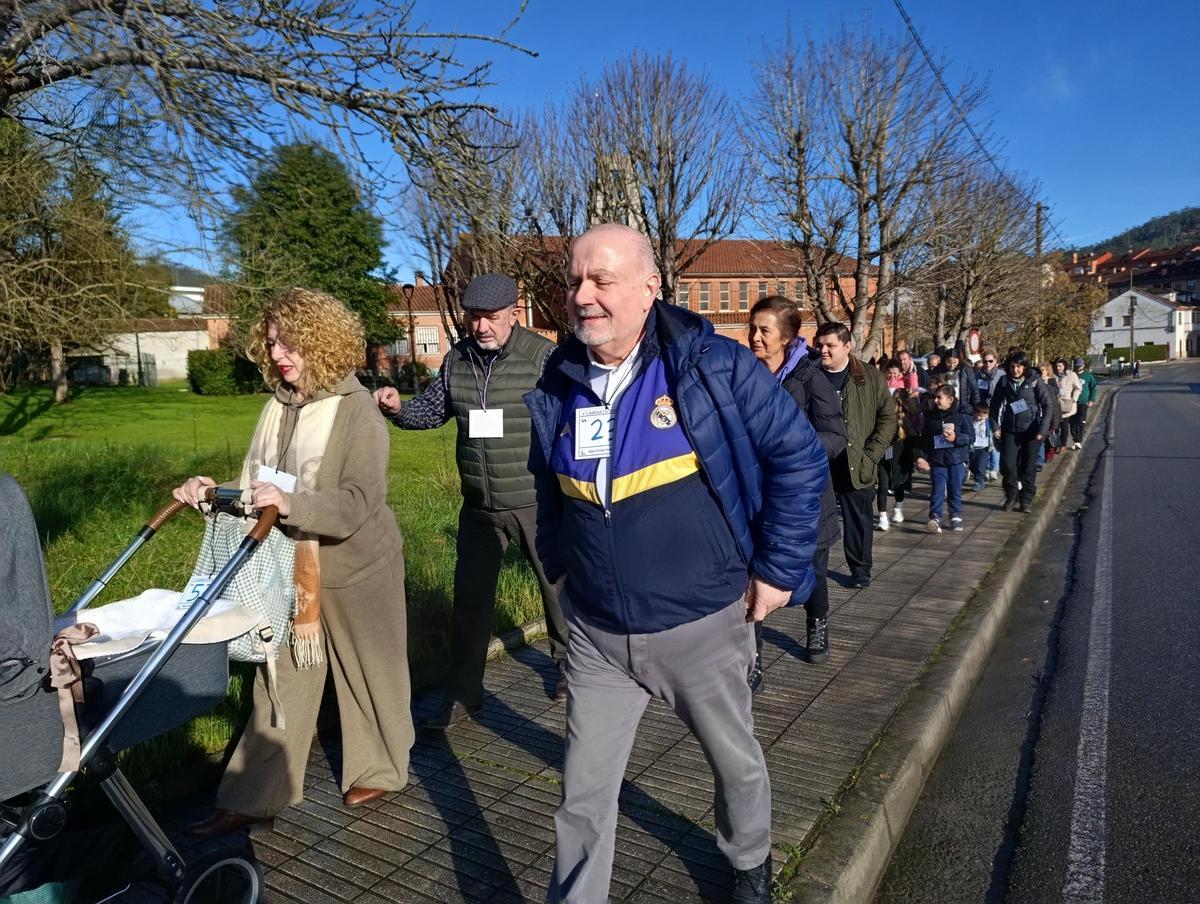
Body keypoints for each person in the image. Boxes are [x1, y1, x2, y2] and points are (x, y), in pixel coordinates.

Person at [527, 224, 827, 904]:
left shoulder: (711, 364)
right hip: (598, 635)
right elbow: (547, 487)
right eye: (574, 281)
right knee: (581, 798)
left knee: (734, 765)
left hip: (703, 624)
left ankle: (750, 863)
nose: (582, 296)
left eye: (601, 280)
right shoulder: (559, 377)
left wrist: (778, 571)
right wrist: (560, 569)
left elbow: (799, 456)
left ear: (649, 288)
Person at [177, 288, 413, 836]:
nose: (279, 353)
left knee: (371, 676)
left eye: (291, 343)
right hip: (288, 570)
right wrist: (212, 492)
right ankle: (252, 796)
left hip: (358, 567)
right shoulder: (277, 407)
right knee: (279, 678)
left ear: (322, 342)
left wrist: (291, 504)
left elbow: (358, 501)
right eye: (272, 343)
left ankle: (381, 768)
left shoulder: (358, 411)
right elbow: (259, 485)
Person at [374, 273, 568, 729]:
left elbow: (569, 422)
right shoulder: (456, 360)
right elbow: (430, 412)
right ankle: (463, 696)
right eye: (474, 317)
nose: (481, 326)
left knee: (558, 593)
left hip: (534, 501)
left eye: (491, 317)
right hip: (478, 506)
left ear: (514, 314)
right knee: (470, 604)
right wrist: (398, 409)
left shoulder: (543, 357)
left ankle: (570, 670)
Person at [747, 296, 847, 671]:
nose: (755, 337)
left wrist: (793, 449)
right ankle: (752, 654)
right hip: (756, 496)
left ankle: (817, 624)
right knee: (751, 573)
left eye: (764, 330)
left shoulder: (810, 378)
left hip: (806, 496)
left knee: (814, 569)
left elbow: (836, 436)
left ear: (787, 337)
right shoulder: (743, 376)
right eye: (752, 329)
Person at [815, 322, 897, 589]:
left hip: (858, 461)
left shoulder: (869, 376)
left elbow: (888, 418)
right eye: (819, 345)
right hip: (820, 461)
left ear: (847, 346)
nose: (823, 350)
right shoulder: (809, 375)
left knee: (858, 521)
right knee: (814, 520)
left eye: (830, 345)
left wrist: (871, 455)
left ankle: (860, 570)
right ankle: (812, 574)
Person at [989, 350, 1052, 512]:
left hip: (1031, 431)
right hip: (1010, 429)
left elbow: (1048, 405)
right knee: (1008, 466)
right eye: (1012, 366)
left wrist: (1043, 429)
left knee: (1028, 467)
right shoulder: (1004, 381)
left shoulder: (1034, 381)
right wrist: (995, 427)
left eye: (1019, 366)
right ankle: (1011, 496)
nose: (1015, 370)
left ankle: (1026, 500)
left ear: (1025, 366)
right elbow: (994, 405)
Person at [914, 385, 975, 533]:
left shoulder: (962, 415)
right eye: (935, 397)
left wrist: (956, 438)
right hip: (937, 460)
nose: (936, 401)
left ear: (950, 399)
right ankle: (935, 517)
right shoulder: (931, 417)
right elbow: (925, 439)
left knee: (955, 488)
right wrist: (920, 457)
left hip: (956, 460)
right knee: (937, 489)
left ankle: (955, 515)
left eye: (939, 398)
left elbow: (970, 437)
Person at [875, 390, 912, 530]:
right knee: (883, 486)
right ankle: (883, 517)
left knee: (899, 485)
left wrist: (917, 457)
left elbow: (913, 438)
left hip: (900, 458)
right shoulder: (879, 420)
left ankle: (898, 508)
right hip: (883, 457)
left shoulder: (904, 421)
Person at [1053, 357, 1082, 451]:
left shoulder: (1071, 375)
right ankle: (1056, 444)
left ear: (1064, 366)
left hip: (1066, 404)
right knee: (1055, 426)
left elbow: (1078, 388)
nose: (1058, 368)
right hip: (1056, 404)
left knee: (1064, 425)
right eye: (1056, 366)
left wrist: (1074, 399)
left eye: (1060, 366)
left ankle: (1063, 445)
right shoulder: (1053, 375)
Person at [943, 342, 980, 407]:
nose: (952, 365)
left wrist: (977, 405)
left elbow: (974, 389)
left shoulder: (966, 370)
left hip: (962, 405)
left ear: (959, 360)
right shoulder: (940, 371)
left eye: (955, 362)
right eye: (949, 362)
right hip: (945, 406)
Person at [1070, 357, 1096, 449]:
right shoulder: (1072, 375)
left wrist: (1091, 400)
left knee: (1081, 421)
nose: (1078, 368)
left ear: (1083, 366)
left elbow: (1093, 388)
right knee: (1072, 422)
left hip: (1083, 402)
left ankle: (1078, 440)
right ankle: (1075, 439)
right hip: (1073, 402)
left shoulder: (1088, 376)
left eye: (1080, 366)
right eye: (1077, 366)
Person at [1039, 363, 1063, 462]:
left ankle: (1049, 454)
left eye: (1043, 370)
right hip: (1041, 411)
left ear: (1047, 371)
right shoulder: (1037, 381)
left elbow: (1057, 392)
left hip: (1053, 410)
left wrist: (1046, 384)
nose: (1041, 372)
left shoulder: (1051, 380)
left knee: (1051, 434)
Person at [967, 402, 993, 492]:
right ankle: (977, 475)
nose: (981, 418)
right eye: (979, 416)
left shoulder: (988, 423)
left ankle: (979, 481)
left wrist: (991, 445)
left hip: (983, 448)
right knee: (972, 465)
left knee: (980, 464)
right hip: (972, 448)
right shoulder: (970, 422)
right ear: (974, 413)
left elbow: (991, 434)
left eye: (983, 416)